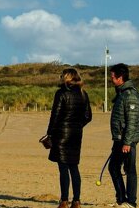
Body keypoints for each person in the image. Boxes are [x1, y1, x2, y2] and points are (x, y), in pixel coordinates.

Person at [45, 67, 92, 208]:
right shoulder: (83, 94)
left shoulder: (61, 93)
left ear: (66, 78)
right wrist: (77, 126)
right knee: (74, 167)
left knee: (63, 168)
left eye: (62, 76)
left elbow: (55, 115)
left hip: (61, 135)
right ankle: (76, 200)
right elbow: (88, 117)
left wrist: (49, 134)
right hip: (76, 135)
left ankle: (64, 200)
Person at [108, 63, 139, 208]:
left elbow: (133, 121)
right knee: (113, 167)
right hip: (119, 139)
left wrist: (127, 143)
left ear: (120, 77)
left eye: (112, 76)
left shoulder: (130, 95)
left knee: (130, 170)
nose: (111, 79)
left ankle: (131, 202)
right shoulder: (121, 93)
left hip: (127, 140)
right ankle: (121, 199)